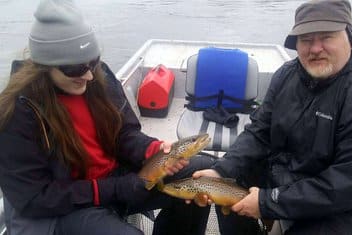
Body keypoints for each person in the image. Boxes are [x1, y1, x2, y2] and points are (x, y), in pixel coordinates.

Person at [0, 1, 213, 235]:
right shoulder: (17, 113)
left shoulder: (98, 78)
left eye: (92, 62)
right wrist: (115, 189)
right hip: (66, 207)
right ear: (45, 65)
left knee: (201, 173)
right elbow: (35, 198)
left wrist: (151, 149)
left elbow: (124, 133)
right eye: (76, 69)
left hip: (116, 181)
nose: (89, 75)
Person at [192, 0, 352, 234]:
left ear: (349, 35)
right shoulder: (286, 76)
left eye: (326, 37)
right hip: (293, 177)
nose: (315, 48)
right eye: (306, 39)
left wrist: (266, 202)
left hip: (349, 207)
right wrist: (222, 170)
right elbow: (259, 132)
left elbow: (349, 184)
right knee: (227, 186)